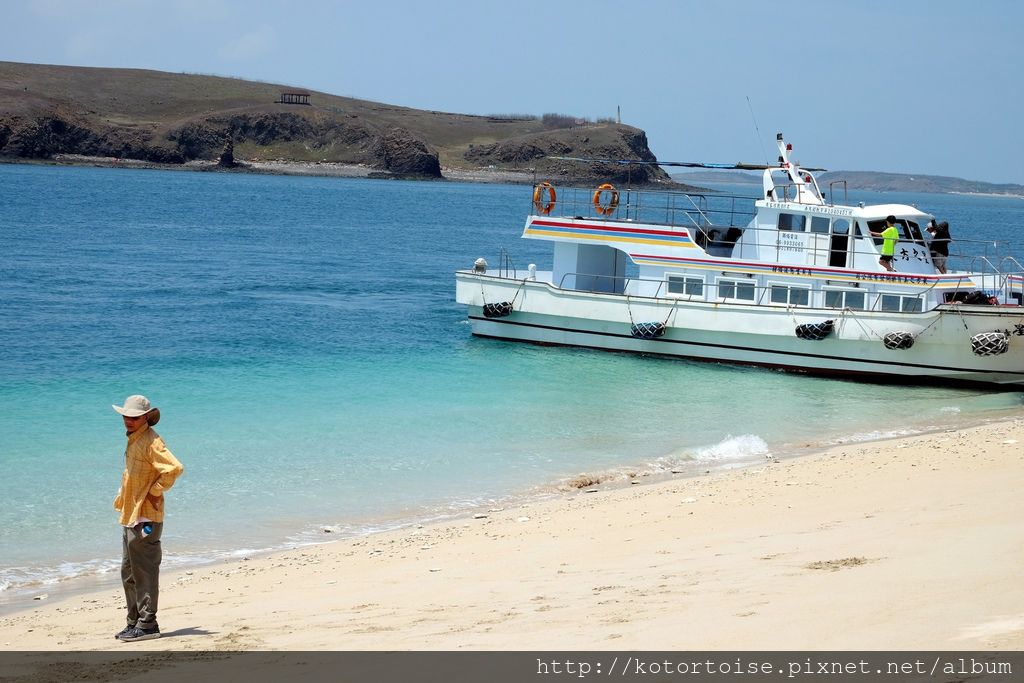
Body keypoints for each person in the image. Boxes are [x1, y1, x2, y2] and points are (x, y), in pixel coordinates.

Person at [111, 395, 183, 642]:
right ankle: (134, 621)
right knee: (128, 571)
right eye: (126, 416)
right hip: (131, 513)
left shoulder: (152, 441)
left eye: (134, 417)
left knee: (144, 571)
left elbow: (174, 468)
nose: (128, 420)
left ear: (145, 418)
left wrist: (155, 491)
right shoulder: (134, 439)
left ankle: (148, 624)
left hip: (146, 517)